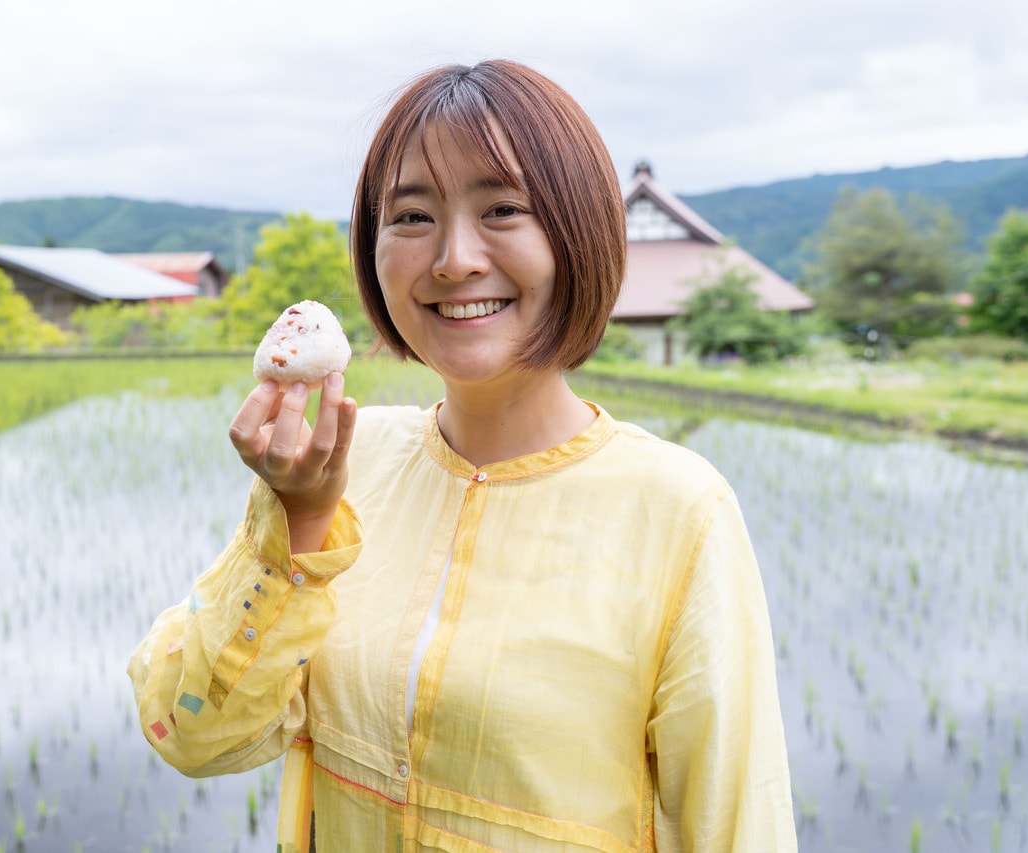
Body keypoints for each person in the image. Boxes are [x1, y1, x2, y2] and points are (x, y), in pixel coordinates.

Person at [128, 59, 796, 851]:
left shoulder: (678, 507)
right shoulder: (341, 465)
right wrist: (298, 527)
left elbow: (734, 824)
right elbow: (193, 734)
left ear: (578, 232)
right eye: (411, 217)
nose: (453, 259)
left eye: (503, 209)